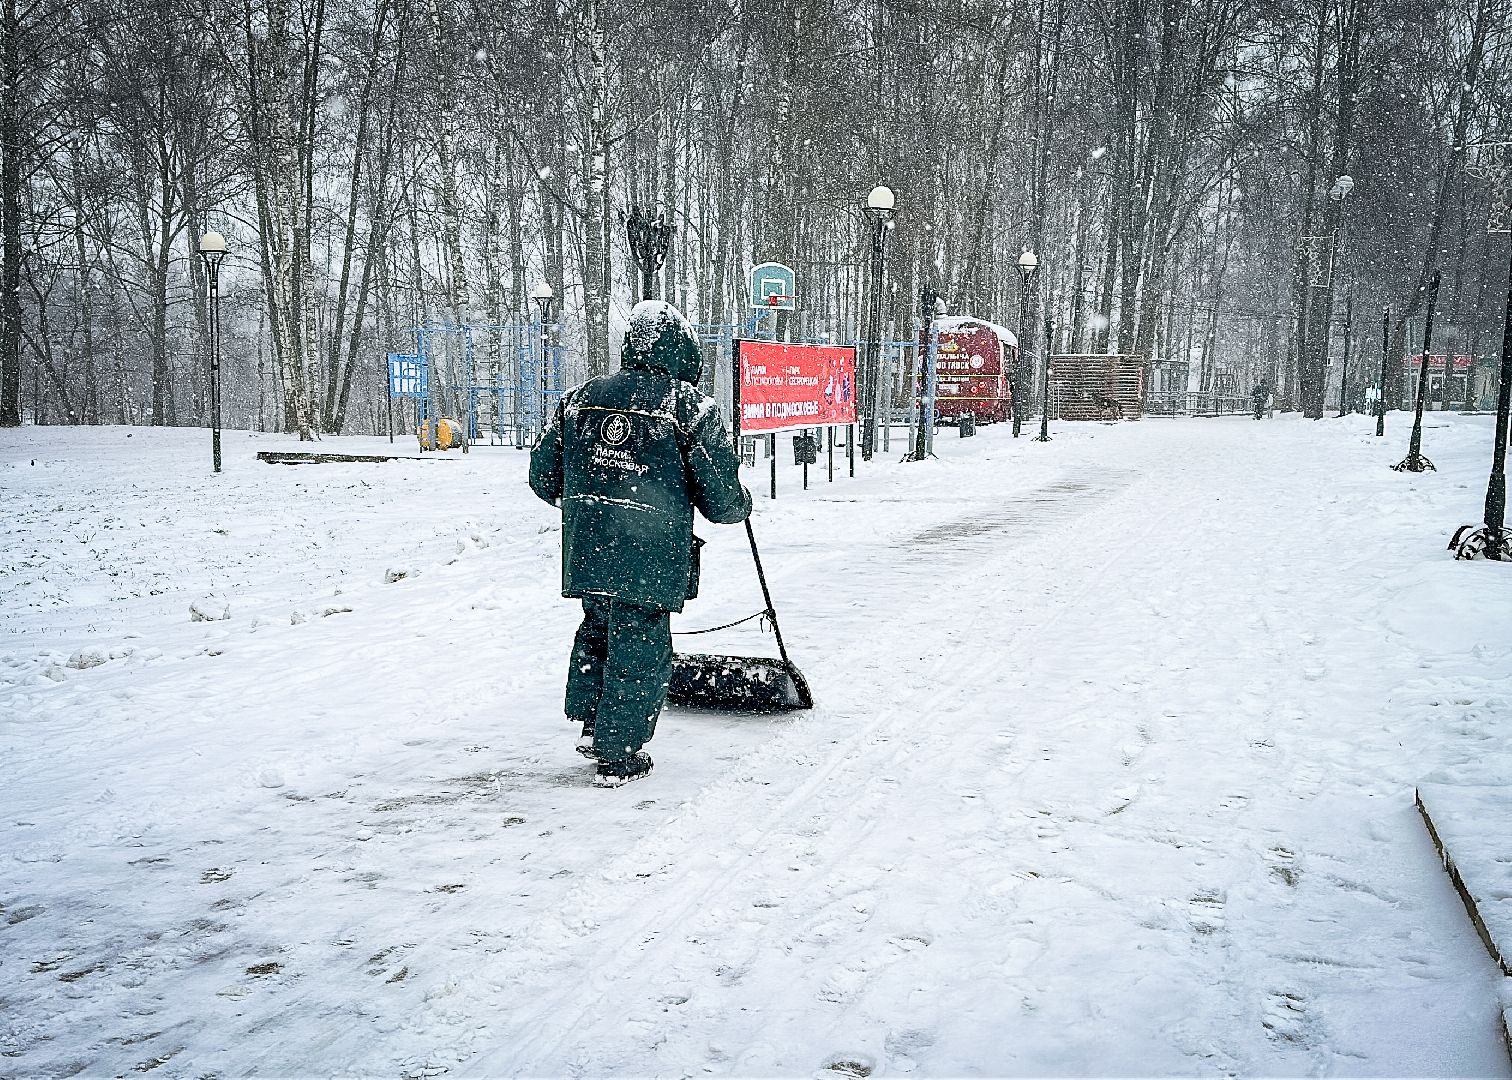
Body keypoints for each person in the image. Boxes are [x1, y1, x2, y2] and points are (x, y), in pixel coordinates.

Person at [529, 301, 751, 788]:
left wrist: (594, 505)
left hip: (589, 547)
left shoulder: (579, 398)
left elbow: (542, 477)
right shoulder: (688, 407)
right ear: (681, 350)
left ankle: (593, 721)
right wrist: (741, 504)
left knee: (599, 626)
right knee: (640, 640)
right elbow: (719, 496)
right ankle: (619, 750)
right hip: (649, 551)